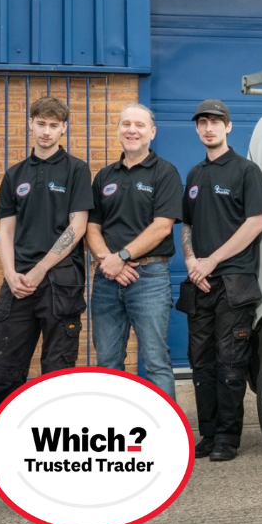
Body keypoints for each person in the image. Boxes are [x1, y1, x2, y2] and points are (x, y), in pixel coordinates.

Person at [0, 97, 93, 472]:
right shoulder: (15, 174)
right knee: (5, 371)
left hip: (60, 283)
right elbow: (6, 231)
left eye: (54, 125)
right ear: (30, 124)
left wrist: (40, 270)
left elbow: (78, 226)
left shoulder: (76, 170)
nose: (47, 131)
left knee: (57, 373)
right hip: (17, 284)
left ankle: (55, 455)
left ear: (64, 128)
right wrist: (10, 274)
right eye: (41, 123)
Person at [180, 100, 262, 462]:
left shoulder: (246, 171)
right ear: (197, 129)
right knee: (201, 364)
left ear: (228, 127)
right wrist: (191, 262)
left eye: (215, 122)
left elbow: (255, 224)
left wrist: (212, 261)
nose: (209, 128)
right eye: (202, 122)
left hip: (233, 283)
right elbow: (187, 225)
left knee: (230, 363)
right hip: (200, 284)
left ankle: (227, 439)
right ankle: (208, 434)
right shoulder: (194, 175)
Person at [87, 103, 183, 399]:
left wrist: (121, 257)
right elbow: (91, 227)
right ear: (118, 130)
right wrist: (109, 263)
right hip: (107, 279)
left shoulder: (165, 173)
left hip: (149, 277)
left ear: (152, 132)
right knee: (107, 362)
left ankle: (165, 427)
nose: (132, 130)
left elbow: (162, 227)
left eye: (139, 125)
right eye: (126, 124)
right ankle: (114, 423)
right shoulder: (104, 176)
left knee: (155, 361)